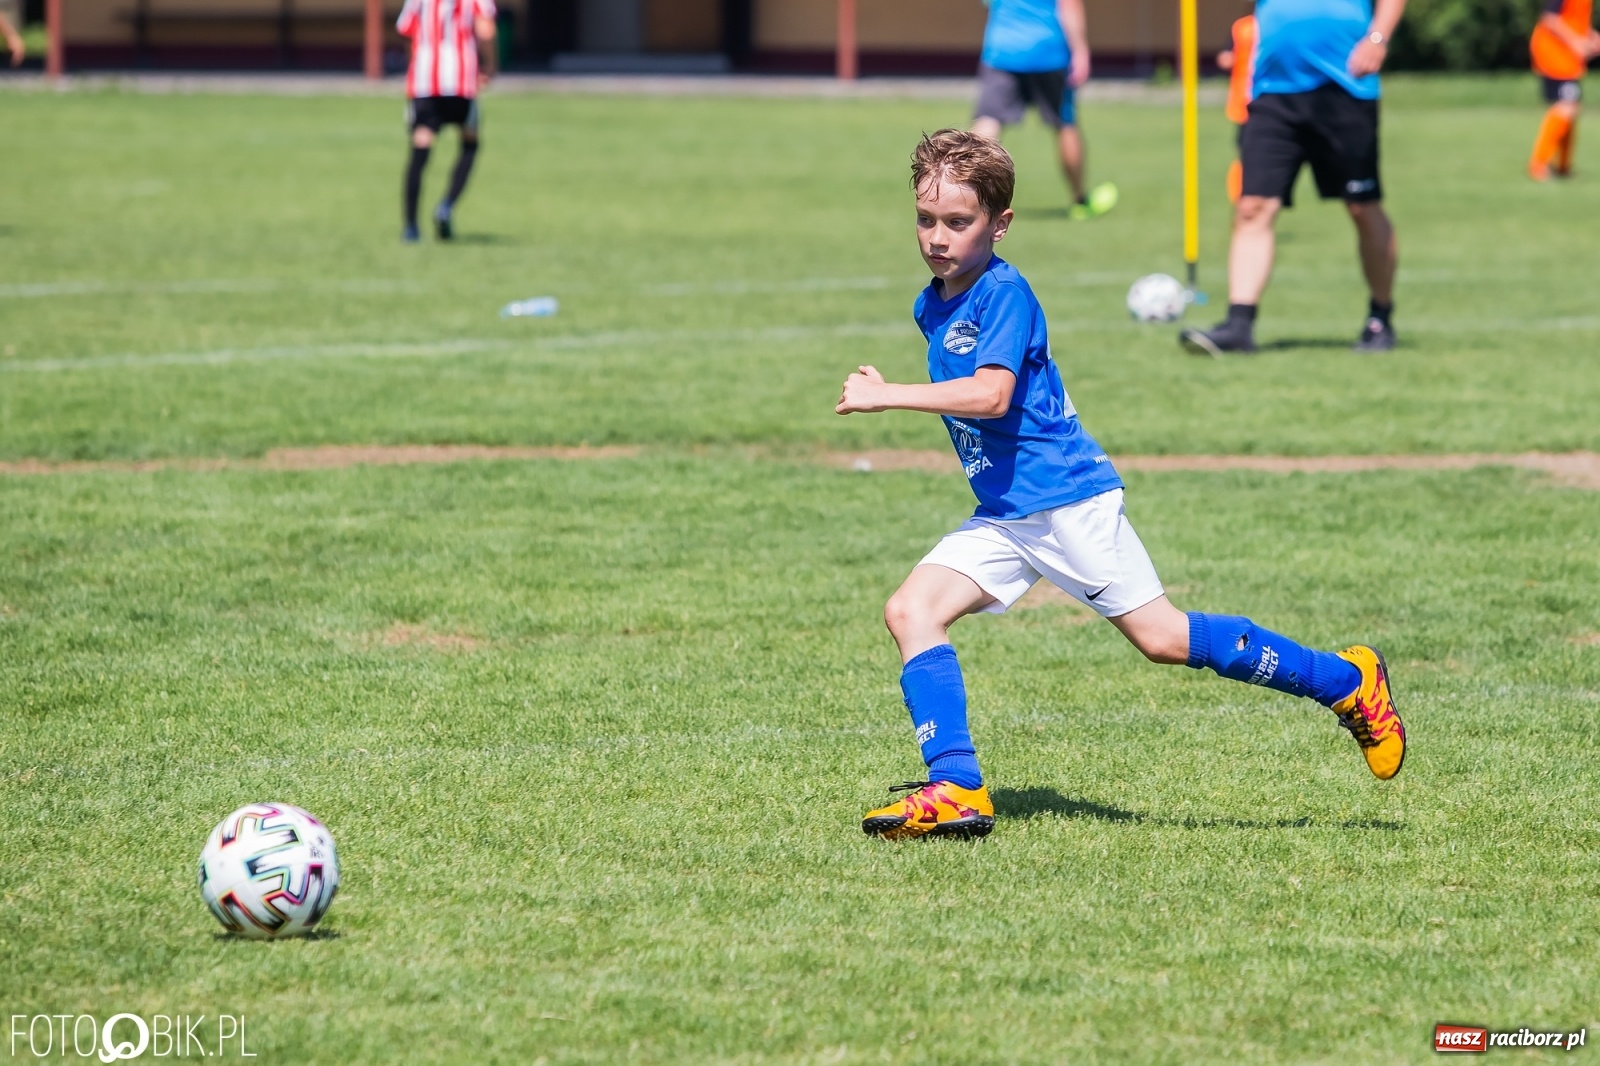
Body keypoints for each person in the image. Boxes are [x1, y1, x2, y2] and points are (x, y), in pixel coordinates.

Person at [835, 130, 1405, 840]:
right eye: (926, 220)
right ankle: (956, 787)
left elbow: (992, 397)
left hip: (1067, 502)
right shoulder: (935, 302)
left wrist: (888, 394)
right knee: (911, 610)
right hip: (1009, 512)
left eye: (959, 222)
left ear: (1000, 224)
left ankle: (1346, 683)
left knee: (1164, 638)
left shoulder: (1004, 293)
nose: (938, 238)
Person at [1179, 0, 1408, 356]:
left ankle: (1380, 317)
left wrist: (1378, 38)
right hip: (1272, 89)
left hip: (1347, 85)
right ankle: (1239, 324)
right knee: (1252, 206)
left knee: (1362, 207)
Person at [972, 0, 1117, 219]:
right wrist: (1080, 50)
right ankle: (1080, 200)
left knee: (989, 120)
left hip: (1002, 49)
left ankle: (968, 193)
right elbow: (1069, 6)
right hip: (1049, 51)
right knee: (1064, 123)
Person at [397, 0, 497, 243]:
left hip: (424, 81)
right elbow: (486, 29)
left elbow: (405, 28)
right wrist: (491, 66)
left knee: (420, 148)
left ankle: (411, 226)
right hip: (461, 81)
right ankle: (446, 205)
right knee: (470, 143)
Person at [1528, 0, 1600, 181]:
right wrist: (1575, 41)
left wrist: (1591, 37)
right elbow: (1550, 19)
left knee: (1571, 109)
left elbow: (1574, 21)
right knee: (1566, 107)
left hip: (1567, 58)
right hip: (1553, 54)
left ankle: (1563, 167)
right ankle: (1539, 164)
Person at [1217, 11, 1258, 204]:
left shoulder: (1266, 25)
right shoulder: (1242, 26)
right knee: (1246, 151)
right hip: (1244, 98)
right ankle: (1242, 193)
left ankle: (1247, 193)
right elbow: (1226, 56)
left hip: (1261, 96)